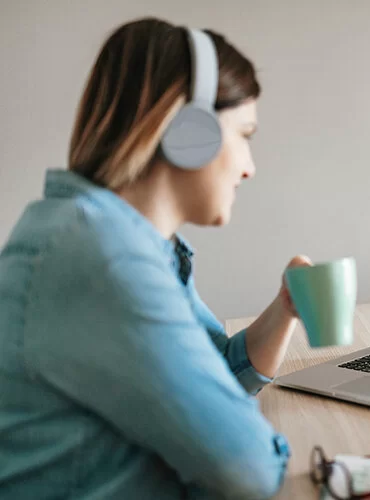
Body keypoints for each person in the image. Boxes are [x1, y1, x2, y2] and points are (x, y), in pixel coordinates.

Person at [0, 18, 309, 499]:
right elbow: (248, 469)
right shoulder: (102, 256)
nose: (249, 167)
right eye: (244, 134)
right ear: (191, 130)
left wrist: (286, 306)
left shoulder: (120, 240)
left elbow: (217, 372)